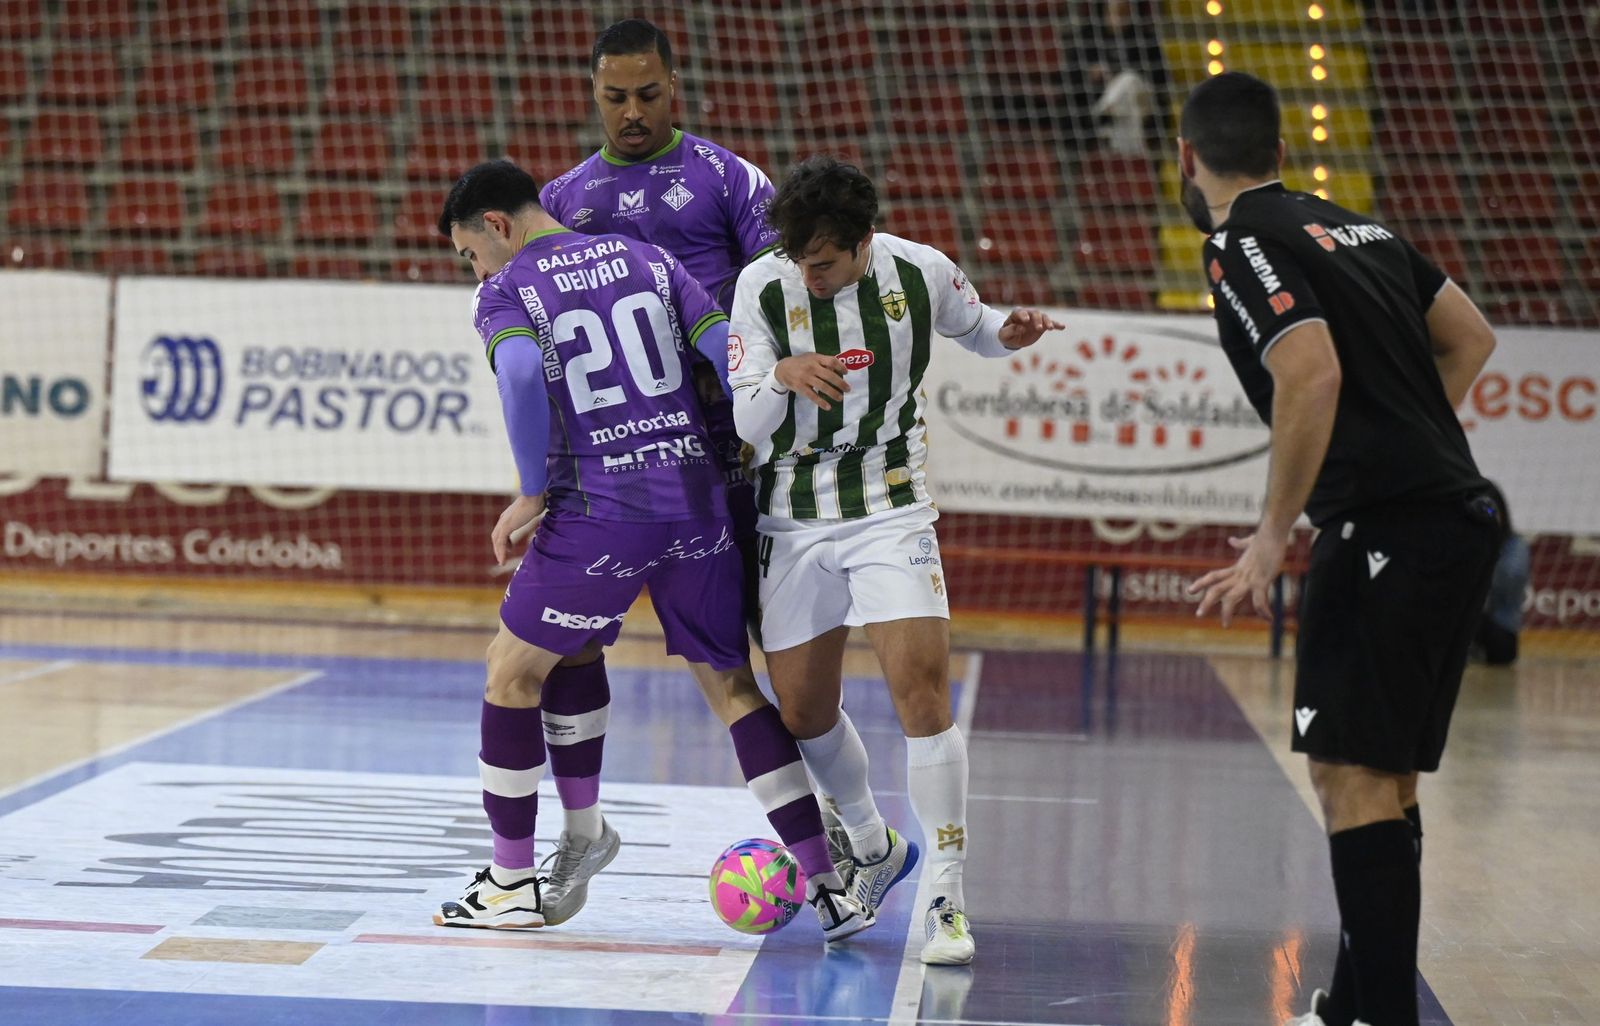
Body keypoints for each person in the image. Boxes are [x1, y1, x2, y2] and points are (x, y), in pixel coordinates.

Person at [432, 160, 868, 940]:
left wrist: (531, 491)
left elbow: (526, 371)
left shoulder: (505, 290)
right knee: (731, 687)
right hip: (697, 497)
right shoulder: (650, 257)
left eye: (470, 251)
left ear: (496, 226)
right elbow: (725, 352)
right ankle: (831, 890)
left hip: (601, 507)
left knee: (509, 672)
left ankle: (508, 879)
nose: (475, 268)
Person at [1178, 73, 1504, 1026]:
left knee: (1350, 776)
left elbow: (1308, 371)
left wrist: (1274, 536)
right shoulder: (1358, 228)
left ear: (1188, 160)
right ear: (1283, 154)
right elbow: (1472, 338)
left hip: (1384, 528)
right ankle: (1359, 1000)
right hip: (1458, 517)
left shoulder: (1238, 242)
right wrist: (1404, 430)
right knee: (1382, 777)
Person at [728, 155, 1062, 966]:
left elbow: (975, 329)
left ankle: (947, 894)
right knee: (802, 711)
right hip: (794, 516)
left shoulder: (921, 271)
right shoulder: (763, 286)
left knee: (921, 693)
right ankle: (874, 846)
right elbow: (746, 413)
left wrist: (1006, 335)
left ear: (863, 243)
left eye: (825, 263)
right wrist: (780, 374)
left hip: (890, 507)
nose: (809, 277)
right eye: (800, 260)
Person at [533, 16, 786, 910]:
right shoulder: (563, 199)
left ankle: (832, 834)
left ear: (672, 86)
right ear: (593, 92)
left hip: (722, 462)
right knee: (565, 642)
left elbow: (783, 296)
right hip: (604, 472)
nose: (631, 112)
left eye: (646, 94)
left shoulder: (726, 178)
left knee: (754, 664)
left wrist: (762, 412)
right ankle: (578, 836)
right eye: (614, 96)